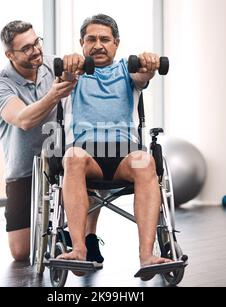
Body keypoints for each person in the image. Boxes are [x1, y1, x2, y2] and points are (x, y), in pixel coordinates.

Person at [56, 14, 173, 277]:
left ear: (116, 43)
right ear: (81, 43)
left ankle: (147, 256)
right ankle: (78, 250)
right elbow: (64, 76)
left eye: (104, 39)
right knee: (71, 157)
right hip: (87, 156)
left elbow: (142, 75)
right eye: (91, 39)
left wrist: (150, 64)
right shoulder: (75, 73)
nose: (98, 44)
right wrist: (67, 66)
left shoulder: (126, 69)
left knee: (145, 162)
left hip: (123, 156)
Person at [0, 21, 103, 263]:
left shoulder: (53, 64)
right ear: (10, 54)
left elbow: (84, 70)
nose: (36, 50)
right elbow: (23, 119)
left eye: (36, 42)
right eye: (27, 48)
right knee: (21, 252)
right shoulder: (0, 84)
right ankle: (62, 232)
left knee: (84, 168)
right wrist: (53, 95)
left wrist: (76, 60)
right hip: (24, 168)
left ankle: (87, 236)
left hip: (61, 157)